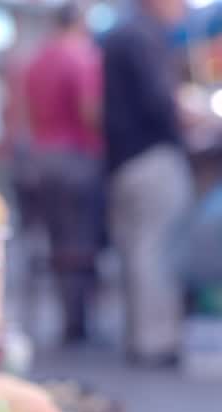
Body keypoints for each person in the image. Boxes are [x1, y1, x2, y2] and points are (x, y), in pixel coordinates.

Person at [101, 0, 191, 365]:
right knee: (156, 249)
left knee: (135, 249)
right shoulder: (143, 37)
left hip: (122, 161)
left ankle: (139, 335)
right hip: (151, 157)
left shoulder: (118, 35)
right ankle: (155, 340)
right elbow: (159, 102)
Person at [25, 2, 104, 343]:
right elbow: (90, 111)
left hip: (43, 157)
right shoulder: (81, 57)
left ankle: (68, 320)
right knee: (82, 243)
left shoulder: (36, 61)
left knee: (59, 242)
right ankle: (79, 325)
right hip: (76, 157)